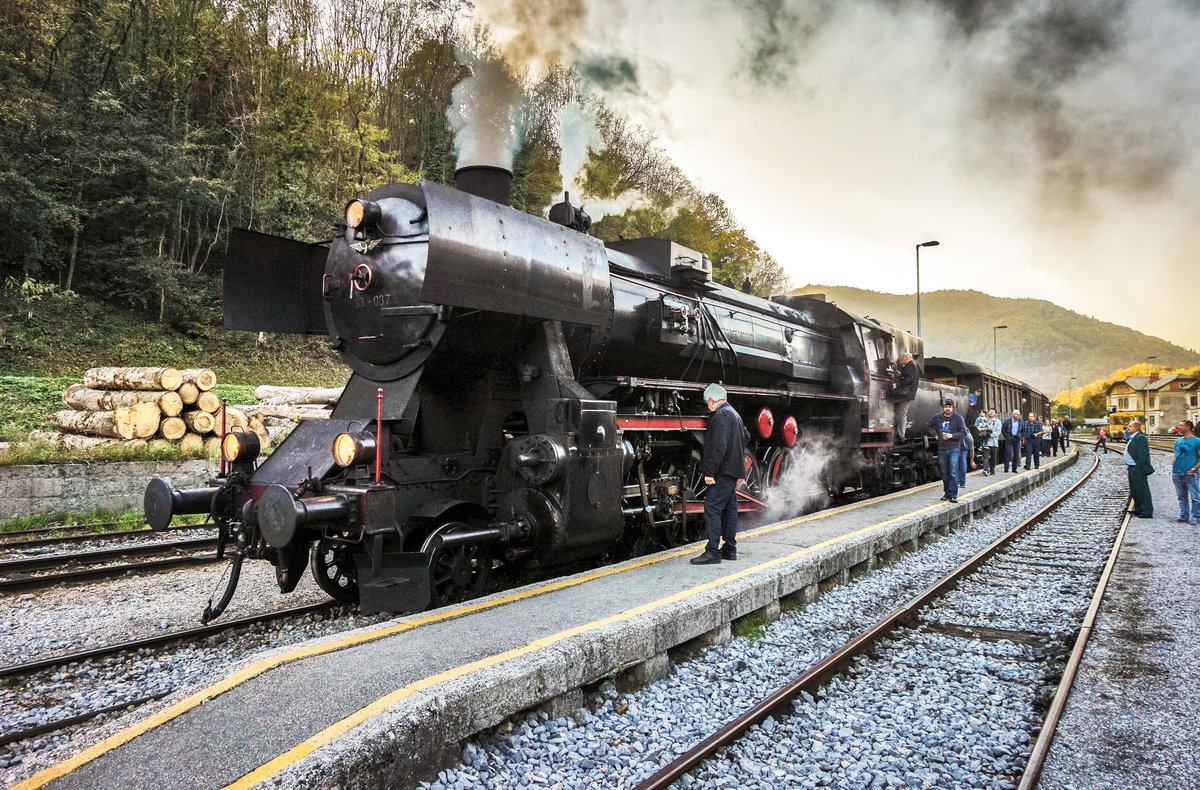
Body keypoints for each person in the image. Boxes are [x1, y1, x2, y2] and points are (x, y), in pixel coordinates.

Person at [691, 383, 750, 565]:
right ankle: (730, 549)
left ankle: (712, 552)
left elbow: (718, 447)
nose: (707, 406)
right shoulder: (734, 414)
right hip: (733, 470)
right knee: (730, 509)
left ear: (711, 400)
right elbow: (746, 437)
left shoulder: (721, 415)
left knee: (712, 508)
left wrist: (710, 472)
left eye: (707, 402)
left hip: (723, 471)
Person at [926, 398, 968, 503]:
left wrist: (952, 436)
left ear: (953, 408)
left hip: (954, 447)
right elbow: (928, 426)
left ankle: (953, 495)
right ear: (943, 408)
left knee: (953, 471)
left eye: (949, 407)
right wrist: (935, 435)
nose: (947, 409)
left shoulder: (958, 418)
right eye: (945, 407)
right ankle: (946, 493)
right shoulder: (937, 417)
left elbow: (964, 433)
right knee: (944, 472)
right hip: (942, 448)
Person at [1171, 420, 1200, 524]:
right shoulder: (1178, 441)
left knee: (1195, 496)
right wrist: (1174, 468)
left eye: (1181, 425)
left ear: (1188, 427)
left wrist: (1194, 469)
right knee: (1181, 496)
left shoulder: (1197, 441)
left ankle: (1196, 517)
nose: (1179, 427)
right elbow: (1175, 455)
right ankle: (1183, 515)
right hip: (1177, 472)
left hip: (1191, 473)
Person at [1124, 420, 1155, 518]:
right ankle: (1138, 508)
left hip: (1137, 468)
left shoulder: (1140, 438)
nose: (1128, 427)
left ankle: (1147, 510)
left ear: (1136, 428)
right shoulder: (1133, 438)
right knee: (1135, 490)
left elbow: (1142, 454)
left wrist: (1138, 467)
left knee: (1142, 489)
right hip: (1132, 467)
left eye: (1130, 426)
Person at [890, 352, 919, 441]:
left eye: (903, 358)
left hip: (905, 394)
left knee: (902, 414)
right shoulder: (912, 366)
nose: (902, 360)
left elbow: (908, 379)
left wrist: (897, 384)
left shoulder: (910, 366)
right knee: (899, 413)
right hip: (906, 394)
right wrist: (900, 375)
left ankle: (900, 434)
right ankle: (897, 431)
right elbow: (908, 377)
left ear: (907, 358)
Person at [976, 408, 1001, 475]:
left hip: (994, 442)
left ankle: (992, 470)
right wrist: (982, 434)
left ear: (995, 414)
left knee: (993, 457)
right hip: (985, 442)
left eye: (992, 412)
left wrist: (989, 435)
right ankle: (986, 470)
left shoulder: (998, 421)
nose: (990, 413)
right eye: (989, 411)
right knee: (985, 456)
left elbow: (998, 432)